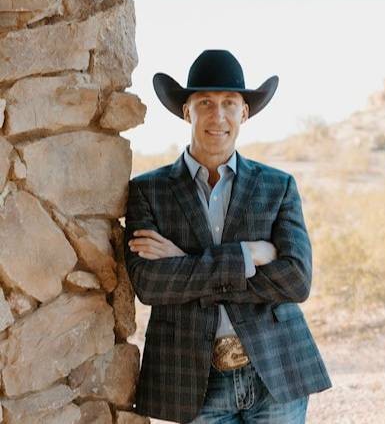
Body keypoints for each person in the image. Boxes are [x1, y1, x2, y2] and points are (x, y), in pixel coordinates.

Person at [124, 49, 332, 424]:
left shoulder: (278, 186)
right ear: (186, 111)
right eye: (205, 102)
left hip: (275, 371)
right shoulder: (148, 190)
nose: (217, 115)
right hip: (191, 380)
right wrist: (249, 255)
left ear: (244, 113)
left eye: (229, 103)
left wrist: (184, 264)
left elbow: (296, 280)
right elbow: (150, 284)